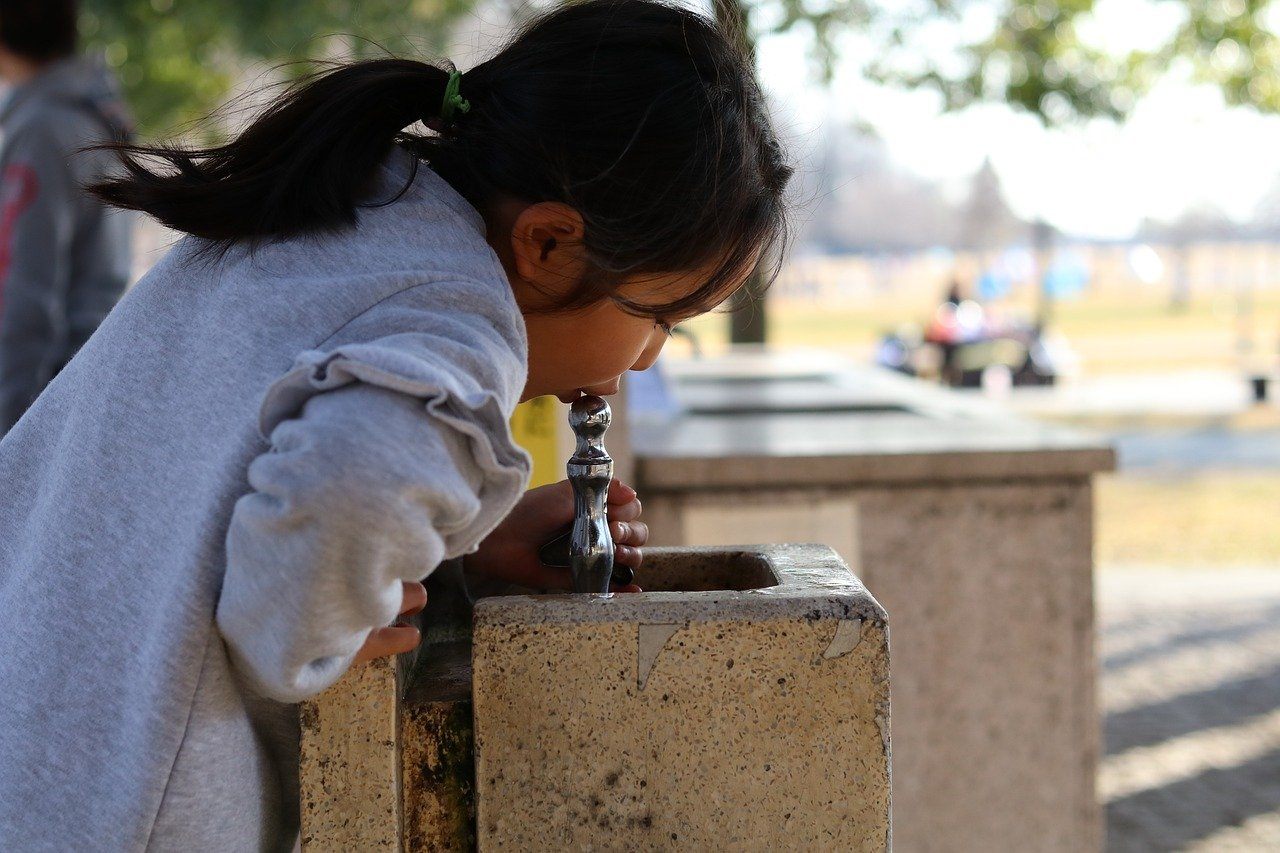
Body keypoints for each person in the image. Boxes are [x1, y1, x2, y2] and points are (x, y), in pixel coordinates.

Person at [0, 0, 791, 849]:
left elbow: (247, 472)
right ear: (551, 244)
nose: (646, 360)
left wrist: (458, 544)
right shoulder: (461, 319)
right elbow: (356, 473)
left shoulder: (357, 199)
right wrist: (306, 632)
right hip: (123, 808)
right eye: (661, 316)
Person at [0, 0, 133, 431]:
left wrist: (10, 445)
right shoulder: (91, 115)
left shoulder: (43, 130)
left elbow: (25, 305)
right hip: (80, 395)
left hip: (42, 409)